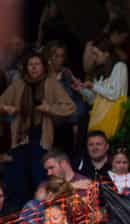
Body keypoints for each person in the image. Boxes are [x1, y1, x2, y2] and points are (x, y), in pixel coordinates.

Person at [0, 50, 74, 209]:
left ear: (43, 67)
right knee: (18, 182)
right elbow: (1, 103)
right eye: (30, 64)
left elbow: (70, 107)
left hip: (41, 138)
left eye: (37, 64)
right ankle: (21, 220)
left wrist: (50, 108)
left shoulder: (51, 83)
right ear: (26, 67)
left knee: (39, 179)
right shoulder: (18, 84)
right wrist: (7, 108)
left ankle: (41, 217)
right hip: (20, 139)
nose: (33, 68)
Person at [77, 37, 129, 136]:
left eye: (96, 54)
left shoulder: (120, 67)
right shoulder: (99, 71)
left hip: (111, 121)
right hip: (99, 121)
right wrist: (81, 89)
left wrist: (93, 86)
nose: (93, 57)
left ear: (106, 54)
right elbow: (94, 100)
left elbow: (114, 95)